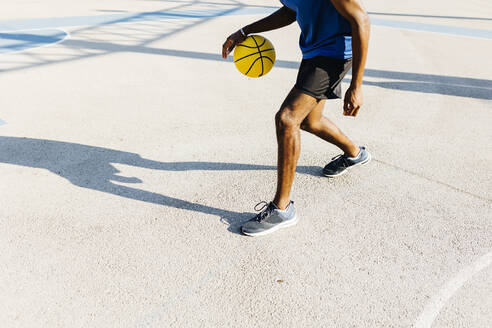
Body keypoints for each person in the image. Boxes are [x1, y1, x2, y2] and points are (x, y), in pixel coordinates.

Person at [222, 0, 371, 236]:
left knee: (287, 119)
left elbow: (360, 18)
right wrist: (245, 31)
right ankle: (355, 153)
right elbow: (292, 9)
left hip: (334, 55)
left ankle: (282, 209)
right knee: (310, 121)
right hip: (314, 53)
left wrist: (357, 84)